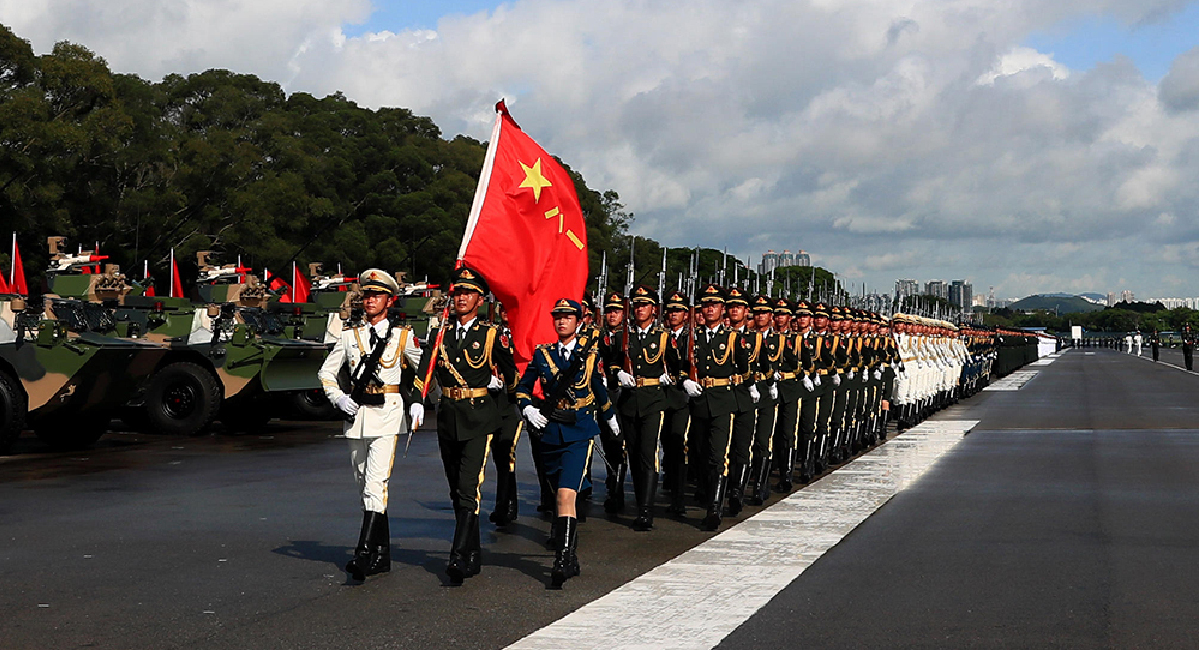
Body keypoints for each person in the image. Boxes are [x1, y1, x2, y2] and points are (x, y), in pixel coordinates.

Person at [318, 269, 424, 581]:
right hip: (356, 417)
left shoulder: (402, 337)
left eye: (376, 295)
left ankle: (364, 552)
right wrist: (337, 398)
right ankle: (383, 554)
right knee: (366, 486)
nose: (369, 300)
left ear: (389, 301)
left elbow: (425, 369)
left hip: (388, 415)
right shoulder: (350, 337)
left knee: (376, 484)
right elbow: (326, 372)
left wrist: (417, 399)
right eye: (367, 295)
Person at [414, 267, 516, 585]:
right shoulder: (440, 333)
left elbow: (513, 374)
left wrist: (502, 389)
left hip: (478, 417)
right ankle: (473, 554)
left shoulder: (488, 335)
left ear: (480, 300)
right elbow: (424, 368)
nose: (461, 298)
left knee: (469, 487)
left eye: (467, 293)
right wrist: (417, 399)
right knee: (455, 488)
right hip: (447, 416)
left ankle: (458, 556)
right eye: (457, 293)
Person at [516, 299, 619, 587]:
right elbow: (523, 388)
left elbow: (597, 387)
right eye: (558, 317)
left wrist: (609, 415)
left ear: (579, 321)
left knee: (565, 495)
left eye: (568, 317)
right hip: (550, 432)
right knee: (555, 494)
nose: (562, 322)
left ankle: (561, 558)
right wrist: (527, 408)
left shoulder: (588, 354)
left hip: (578, 432)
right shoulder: (543, 354)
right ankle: (570, 556)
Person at [609, 285, 678, 530]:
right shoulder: (621, 337)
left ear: (654, 310)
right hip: (629, 401)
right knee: (634, 454)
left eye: (645, 305)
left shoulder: (663, 337)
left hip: (653, 400)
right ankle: (639, 502)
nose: (640, 309)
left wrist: (668, 377)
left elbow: (678, 367)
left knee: (648, 454)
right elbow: (611, 364)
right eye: (637, 305)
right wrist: (618, 374)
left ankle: (646, 510)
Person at [681, 283, 750, 531]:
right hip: (699, 401)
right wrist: (684, 380)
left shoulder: (732, 338)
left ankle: (714, 508)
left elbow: (744, 368)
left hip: (723, 401)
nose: (710, 309)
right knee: (699, 453)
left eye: (714, 304)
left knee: (717, 457)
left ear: (722, 309)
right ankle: (707, 493)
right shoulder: (693, 336)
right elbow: (680, 364)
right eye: (706, 305)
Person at [660, 291, 694, 515]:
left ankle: (679, 497)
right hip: (661, 395)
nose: (674, 314)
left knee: (679, 444)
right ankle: (669, 481)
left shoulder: (691, 338)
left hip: (683, 397)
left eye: (678, 311)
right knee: (665, 444)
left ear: (685, 314)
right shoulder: (660, 336)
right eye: (670, 310)